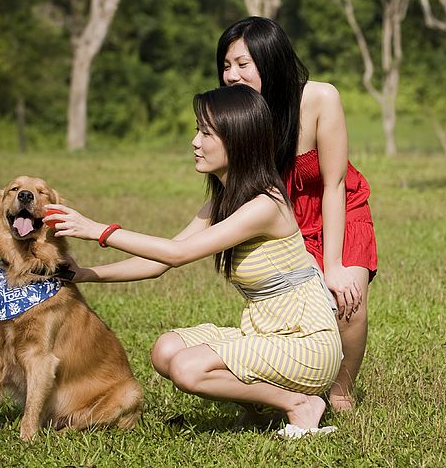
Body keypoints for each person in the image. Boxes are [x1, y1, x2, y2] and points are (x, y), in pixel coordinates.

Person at [45, 85, 342, 437]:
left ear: (238, 139)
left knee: (188, 368)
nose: (194, 142)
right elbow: (160, 262)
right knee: (165, 350)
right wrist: (84, 274)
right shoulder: (225, 199)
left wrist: (96, 230)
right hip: (267, 334)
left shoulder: (266, 204)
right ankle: (262, 407)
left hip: (306, 343)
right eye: (197, 130)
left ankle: (300, 403)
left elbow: (178, 254)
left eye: (206, 132)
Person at [216, 16, 377, 412]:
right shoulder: (239, 116)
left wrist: (335, 264)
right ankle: (287, 390)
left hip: (337, 207)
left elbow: (334, 184)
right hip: (281, 221)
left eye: (242, 64)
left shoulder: (320, 98)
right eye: (226, 65)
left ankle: (340, 392)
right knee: (286, 314)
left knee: (346, 303)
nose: (231, 75)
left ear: (270, 61)